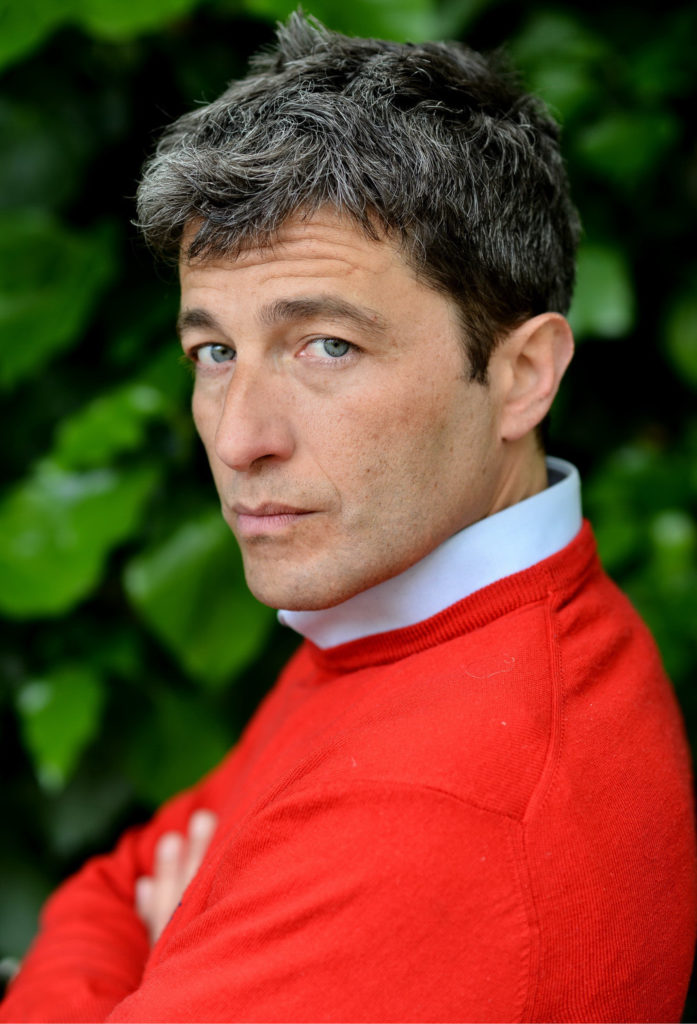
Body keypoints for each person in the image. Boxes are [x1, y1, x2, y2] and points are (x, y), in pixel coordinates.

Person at [1, 12, 695, 1023]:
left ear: (520, 375)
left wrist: (152, 958)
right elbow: (125, 876)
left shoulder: (435, 812)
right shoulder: (403, 610)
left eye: (326, 345)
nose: (239, 438)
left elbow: (130, 898)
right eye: (214, 352)